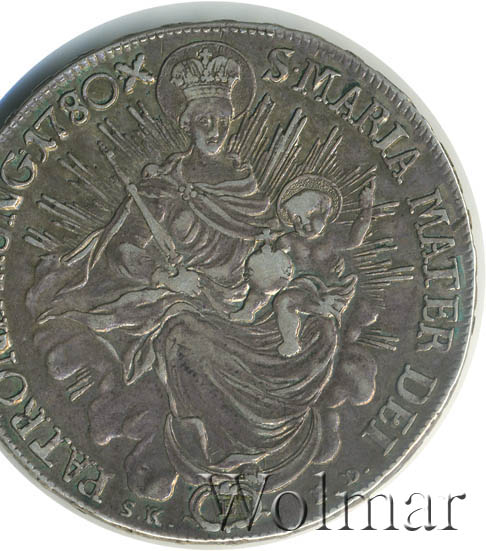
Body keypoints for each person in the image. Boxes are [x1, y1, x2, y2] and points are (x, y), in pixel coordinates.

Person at [27, 43, 375, 501]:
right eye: (204, 121)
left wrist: (272, 278)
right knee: (184, 338)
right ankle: (215, 452)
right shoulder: (163, 187)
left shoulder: (244, 184)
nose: (214, 130)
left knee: (319, 328)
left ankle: (274, 445)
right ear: (186, 124)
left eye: (222, 121)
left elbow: (265, 240)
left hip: (252, 302)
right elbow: (123, 252)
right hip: (188, 300)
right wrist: (164, 275)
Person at [230, 175, 376, 357]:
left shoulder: (331, 240)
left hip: (327, 293)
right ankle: (248, 310)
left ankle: (291, 342)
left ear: (325, 214)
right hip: (298, 285)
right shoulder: (288, 240)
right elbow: (274, 261)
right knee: (267, 280)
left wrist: (367, 209)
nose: (303, 224)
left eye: (310, 217)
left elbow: (355, 239)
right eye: (296, 220)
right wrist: (262, 261)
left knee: (284, 301)